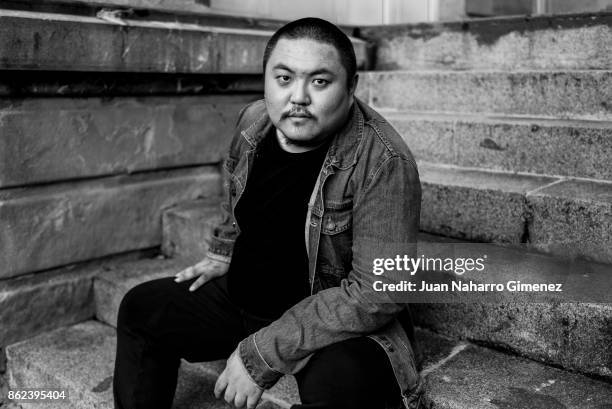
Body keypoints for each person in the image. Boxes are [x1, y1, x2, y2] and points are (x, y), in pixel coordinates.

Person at [113, 17, 422, 409]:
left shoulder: (384, 161)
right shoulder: (253, 121)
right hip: (243, 301)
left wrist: (262, 353)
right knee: (142, 308)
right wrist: (222, 250)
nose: (299, 97)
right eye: (284, 78)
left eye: (320, 81)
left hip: (326, 318)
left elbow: (380, 291)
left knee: (341, 385)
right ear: (266, 80)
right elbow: (235, 192)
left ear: (351, 87)